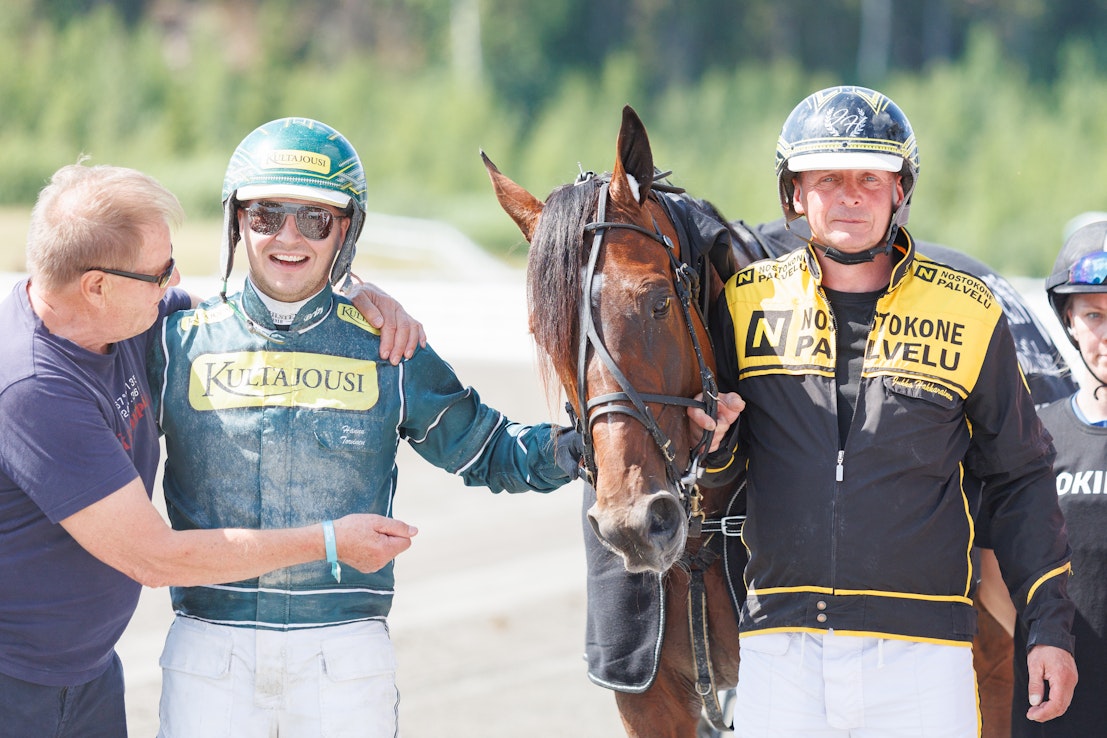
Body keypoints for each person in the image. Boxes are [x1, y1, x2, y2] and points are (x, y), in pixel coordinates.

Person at [147, 117, 727, 737]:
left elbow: (491, 452)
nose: (290, 236)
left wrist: (594, 444)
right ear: (238, 220)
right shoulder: (170, 343)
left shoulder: (391, 351)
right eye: (267, 215)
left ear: (345, 229)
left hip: (343, 661)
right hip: (209, 651)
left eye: (315, 219)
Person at [0, 161, 425, 738]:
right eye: (159, 273)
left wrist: (355, 294)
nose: (173, 283)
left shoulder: (128, 319)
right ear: (96, 286)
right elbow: (154, 557)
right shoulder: (34, 390)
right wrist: (330, 542)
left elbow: (240, 320)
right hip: (17, 686)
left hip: (88, 671)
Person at [704, 85, 1077, 736]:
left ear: (900, 189)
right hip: (777, 650)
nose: (849, 194)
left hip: (923, 659)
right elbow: (715, 472)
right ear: (792, 192)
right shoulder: (739, 306)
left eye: (869, 178)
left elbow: (1019, 475)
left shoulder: (969, 309)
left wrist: (1046, 625)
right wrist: (712, 448)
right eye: (827, 177)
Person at [1001, 218, 1107, 736]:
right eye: (1094, 315)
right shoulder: (1037, 437)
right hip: (1057, 711)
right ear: (1069, 321)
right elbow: (996, 567)